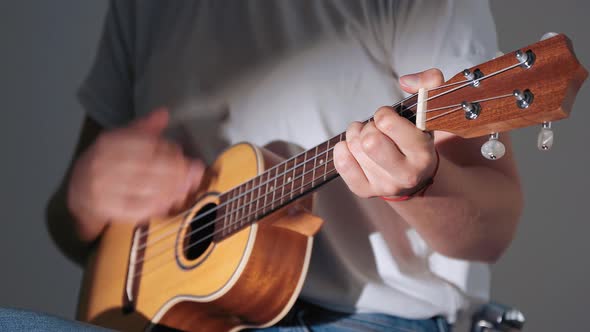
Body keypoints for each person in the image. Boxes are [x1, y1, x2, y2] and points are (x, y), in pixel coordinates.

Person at [42, 1, 523, 331]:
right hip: (166, 317)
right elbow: (68, 230)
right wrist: (81, 199)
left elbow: (493, 228)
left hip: (367, 318)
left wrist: (417, 187)